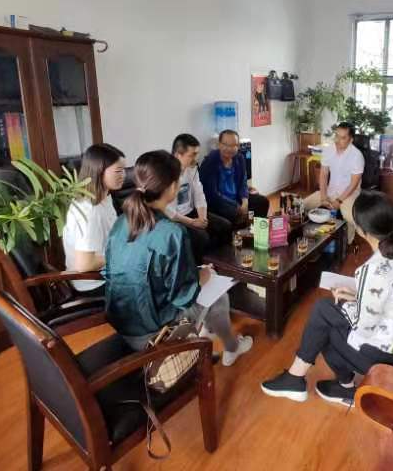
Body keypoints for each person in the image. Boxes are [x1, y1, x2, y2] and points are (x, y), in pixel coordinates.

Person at [261, 191, 393, 406]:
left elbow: (363, 328)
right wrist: (357, 297)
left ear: (360, 230)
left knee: (324, 318)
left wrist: (346, 304)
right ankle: (333, 385)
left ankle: (306, 381)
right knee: (325, 315)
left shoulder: (374, 269)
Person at [103, 150, 253, 365]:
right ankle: (232, 348)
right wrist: (204, 275)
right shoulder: (171, 233)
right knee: (218, 295)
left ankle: (205, 334)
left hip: (122, 321)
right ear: (173, 187)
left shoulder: (121, 221)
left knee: (205, 283)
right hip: (152, 332)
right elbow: (183, 296)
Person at [62, 143, 126, 295]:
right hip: (93, 283)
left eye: (124, 170)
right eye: (118, 171)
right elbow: (84, 264)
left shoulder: (104, 199)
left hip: (107, 273)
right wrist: (122, 254)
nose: (123, 175)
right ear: (99, 171)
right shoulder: (90, 210)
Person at [167, 133, 232, 261]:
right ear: (178, 155)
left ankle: (222, 263)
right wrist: (192, 222)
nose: (196, 159)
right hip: (175, 220)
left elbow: (199, 194)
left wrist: (202, 217)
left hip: (192, 213)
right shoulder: (165, 174)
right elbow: (169, 211)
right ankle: (199, 267)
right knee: (201, 237)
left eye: (197, 154)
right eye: (192, 155)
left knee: (225, 226)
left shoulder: (191, 169)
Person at [303, 122, 364, 245]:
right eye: (336, 136)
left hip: (349, 194)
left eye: (343, 138)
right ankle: (311, 235)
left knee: (349, 216)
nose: (337, 140)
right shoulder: (328, 150)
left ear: (351, 139)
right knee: (303, 205)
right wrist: (323, 197)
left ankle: (348, 242)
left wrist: (339, 201)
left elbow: (353, 184)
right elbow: (323, 175)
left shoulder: (357, 156)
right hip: (330, 191)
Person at [199, 129, 270, 225]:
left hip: (237, 198)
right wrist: (236, 206)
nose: (229, 148)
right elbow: (212, 194)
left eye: (233, 145)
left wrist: (245, 201)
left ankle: (257, 230)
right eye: (225, 144)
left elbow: (243, 183)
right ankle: (244, 229)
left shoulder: (239, 158)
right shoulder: (210, 162)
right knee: (237, 214)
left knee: (262, 202)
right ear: (219, 144)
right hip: (219, 203)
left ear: (238, 146)